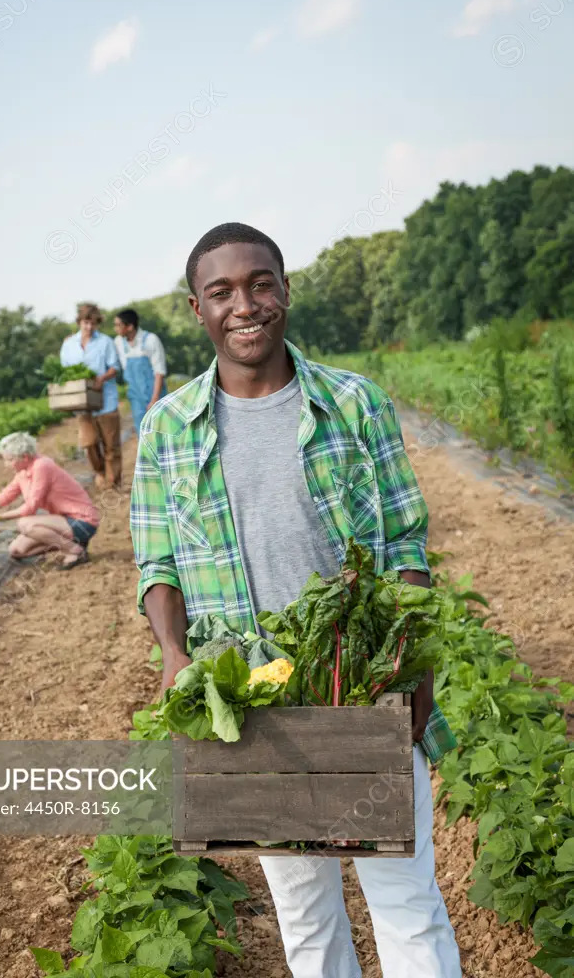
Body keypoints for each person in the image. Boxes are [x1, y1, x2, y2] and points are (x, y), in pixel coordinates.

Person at [130, 222, 462, 978]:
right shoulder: (167, 429)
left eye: (260, 284)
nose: (244, 305)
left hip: (362, 687)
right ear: (197, 308)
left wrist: (409, 664)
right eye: (222, 292)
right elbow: (158, 562)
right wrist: (175, 653)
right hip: (251, 704)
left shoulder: (354, 403)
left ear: (285, 290)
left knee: (405, 900)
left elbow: (406, 543)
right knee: (306, 913)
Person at [0, 431, 99, 569]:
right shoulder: (22, 473)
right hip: (64, 520)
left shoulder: (42, 466)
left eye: (10, 460)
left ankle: (75, 551)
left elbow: (30, 508)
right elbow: (2, 498)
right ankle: (72, 543)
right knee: (16, 550)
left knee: (25, 524)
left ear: (24, 457)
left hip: (83, 521)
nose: (6, 465)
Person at [60, 303, 122, 490]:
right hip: (82, 403)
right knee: (88, 443)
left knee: (111, 446)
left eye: (93, 323)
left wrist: (102, 378)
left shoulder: (105, 342)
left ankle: (113, 484)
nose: (89, 327)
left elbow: (115, 367)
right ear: (79, 321)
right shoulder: (69, 344)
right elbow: (64, 370)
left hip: (106, 400)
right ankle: (100, 471)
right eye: (86, 322)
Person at [113, 308, 167, 434]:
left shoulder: (150, 340)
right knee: (142, 433)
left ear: (130, 326)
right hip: (136, 397)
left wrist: (154, 400)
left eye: (118, 325)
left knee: (162, 432)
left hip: (155, 394)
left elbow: (159, 372)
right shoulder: (118, 342)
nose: (115, 328)